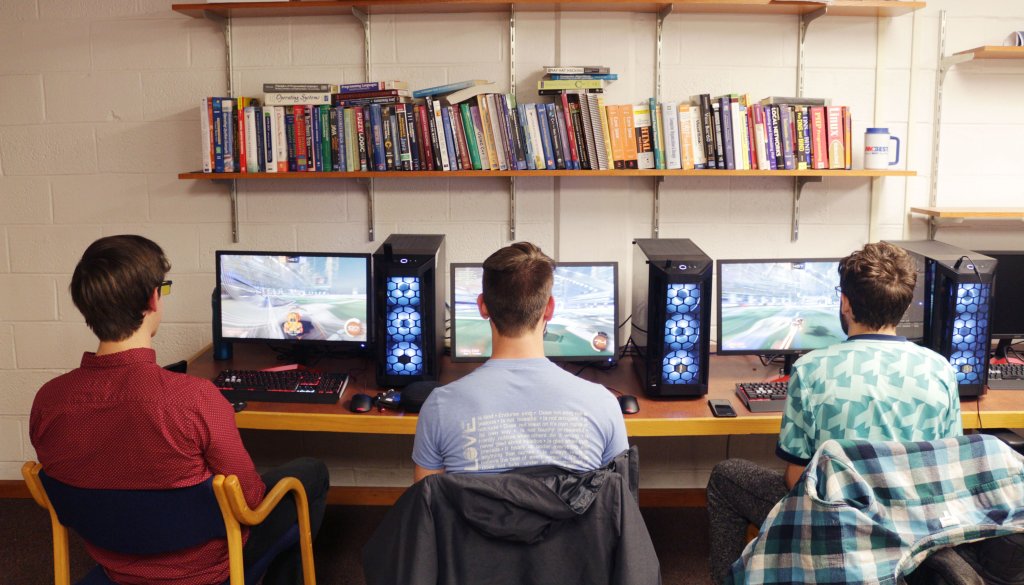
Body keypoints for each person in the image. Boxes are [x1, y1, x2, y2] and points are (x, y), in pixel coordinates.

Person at [30, 235, 328, 585]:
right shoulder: (196, 398)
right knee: (309, 474)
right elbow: (250, 502)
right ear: (153, 298)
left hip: (116, 565)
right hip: (210, 570)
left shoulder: (48, 402)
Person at [706, 241, 962, 584]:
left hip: (835, 525)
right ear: (903, 304)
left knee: (726, 476)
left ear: (845, 303)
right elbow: (948, 467)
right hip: (911, 526)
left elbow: (795, 480)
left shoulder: (812, 369)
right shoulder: (941, 370)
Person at [412, 241, 628, 481]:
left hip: (476, 521)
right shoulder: (603, 404)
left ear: (482, 306)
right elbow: (617, 504)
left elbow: (427, 507)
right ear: (549, 309)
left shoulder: (439, 407)